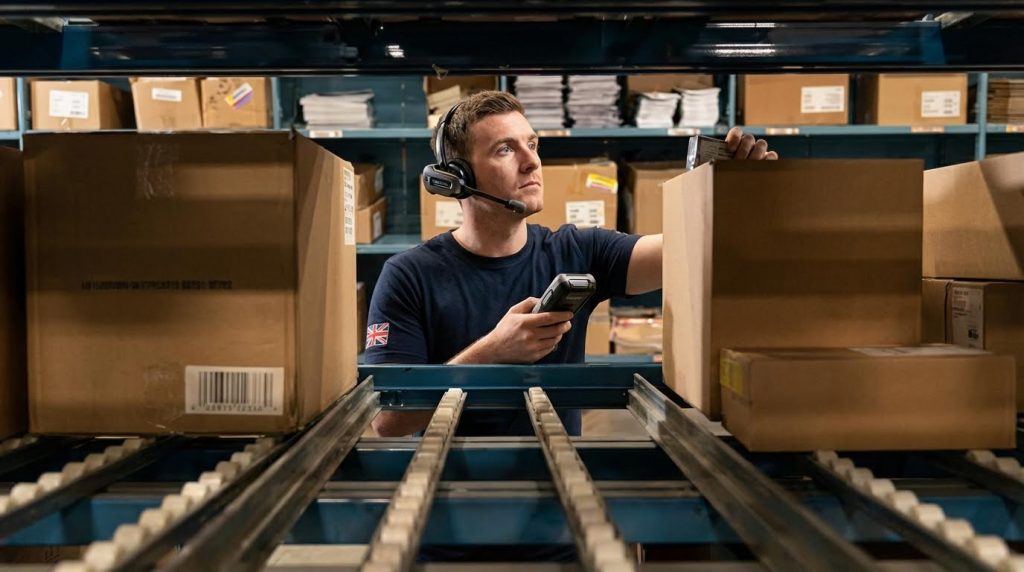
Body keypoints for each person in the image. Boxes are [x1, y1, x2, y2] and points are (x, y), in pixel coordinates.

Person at [365, 90, 776, 437]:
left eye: (532, 144)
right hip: (449, 499)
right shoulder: (409, 275)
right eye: (505, 149)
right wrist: (493, 352)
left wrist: (736, 192)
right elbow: (388, 419)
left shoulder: (578, 251)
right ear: (454, 177)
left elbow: (690, 250)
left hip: (560, 495)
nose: (532, 162)